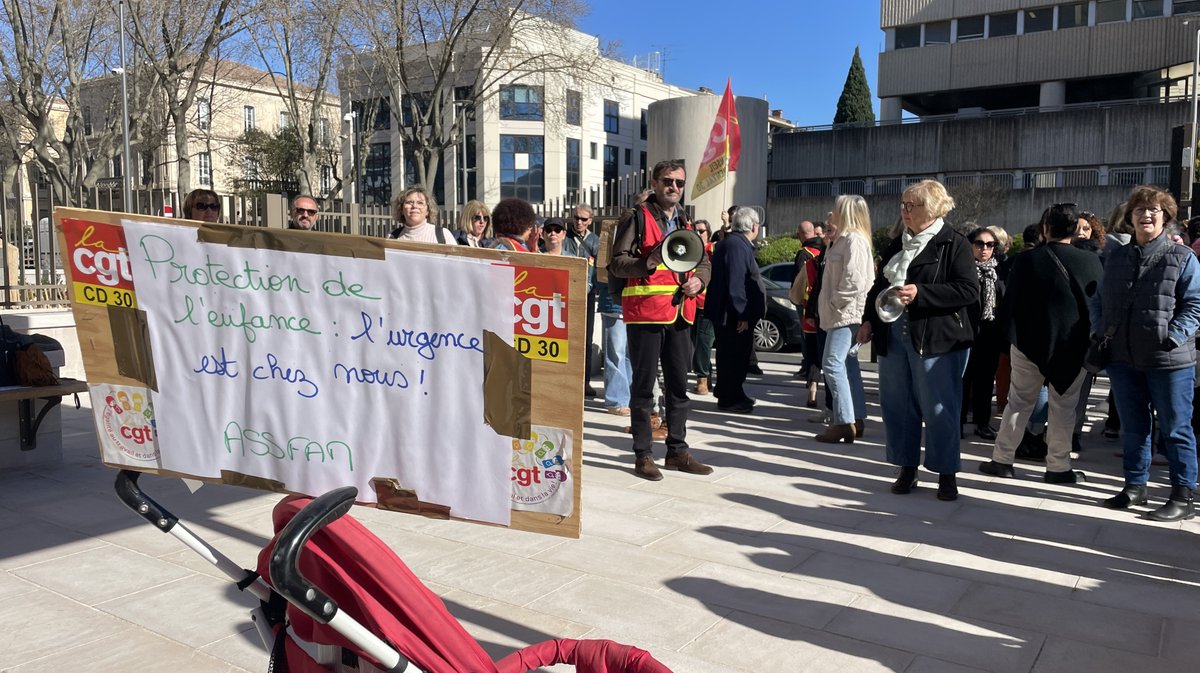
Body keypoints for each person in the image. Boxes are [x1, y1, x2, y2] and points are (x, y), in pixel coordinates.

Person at [861, 179, 977, 502]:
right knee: (897, 405)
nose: (905, 211)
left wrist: (921, 294)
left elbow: (968, 290)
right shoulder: (897, 242)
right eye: (903, 205)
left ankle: (946, 474)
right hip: (894, 333)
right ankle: (906, 467)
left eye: (912, 205)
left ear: (934, 208)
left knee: (940, 407)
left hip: (935, 338)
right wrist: (868, 320)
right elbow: (878, 286)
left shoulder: (954, 243)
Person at [1094, 186, 1200, 521]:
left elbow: (1195, 305)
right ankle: (1135, 486)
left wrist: (1172, 337)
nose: (1146, 215)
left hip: (1169, 360)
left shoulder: (1183, 258)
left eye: (1154, 209)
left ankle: (1183, 494)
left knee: (1175, 428)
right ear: (1130, 218)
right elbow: (1099, 301)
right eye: (1139, 209)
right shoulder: (1115, 257)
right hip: (1123, 358)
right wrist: (1099, 330)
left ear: (1166, 217)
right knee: (1133, 426)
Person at [979, 203, 1103, 484]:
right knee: (1064, 407)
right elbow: (1097, 306)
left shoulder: (1026, 260)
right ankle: (1058, 467)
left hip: (1028, 344)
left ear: (1044, 229)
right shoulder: (1093, 261)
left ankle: (1002, 459)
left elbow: (1010, 305)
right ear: (1075, 230)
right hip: (1072, 346)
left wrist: (1009, 339)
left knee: (1018, 402)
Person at [609, 159, 713, 481]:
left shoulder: (684, 218)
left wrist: (700, 281)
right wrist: (648, 262)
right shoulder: (636, 217)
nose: (674, 187)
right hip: (646, 314)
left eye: (680, 183)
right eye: (668, 181)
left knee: (679, 387)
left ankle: (677, 451)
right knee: (643, 388)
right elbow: (616, 264)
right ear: (655, 183)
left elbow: (704, 261)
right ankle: (643, 455)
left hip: (681, 312)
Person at [814, 195, 873, 444]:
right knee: (848, 366)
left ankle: (844, 421)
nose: (833, 212)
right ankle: (854, 419)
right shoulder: (844, 240)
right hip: (841, 312)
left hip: (845, 314)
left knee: (832, 364)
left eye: (837, 209)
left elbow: (856, 281)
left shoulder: (854, 241)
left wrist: (834, 302)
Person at [706, 207, 766, 414]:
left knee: (735, 356)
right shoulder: (736, 246)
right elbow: (737, 281)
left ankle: (733, 392)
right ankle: (729, 397)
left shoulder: (736, 244)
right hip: (732, 315)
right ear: (755, 226)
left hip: (731, 313)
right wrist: (742, 314)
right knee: (733, 357)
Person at [961, 226, 1007, 441]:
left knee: (986, 380)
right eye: (980, 244)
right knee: (962, 380)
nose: (985, 249)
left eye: (990, 245)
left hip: (990, 333)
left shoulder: (1000, 271)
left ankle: (982, 422)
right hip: (965, 332)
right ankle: (958, 422)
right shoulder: (963, 270)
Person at [565, 204, 601, 398]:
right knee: (566, 339)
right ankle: (567, 380)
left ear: (590, 221)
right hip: (565, 294)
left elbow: (601, 267)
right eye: (576, 217)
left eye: (583, 219)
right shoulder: (564, 237)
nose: (579, 222)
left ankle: (585, 381)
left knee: (585, 339)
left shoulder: (596, 241)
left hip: (587, 296)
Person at [791, 220, 825, 405]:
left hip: (809, 309)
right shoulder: (832, 253)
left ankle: (812, 390)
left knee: (811, 349)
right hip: (830, 311)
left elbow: (797, 284)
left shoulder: (806, 256)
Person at [690, 219, 716, 396]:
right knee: (694, 342)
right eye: (695, 231)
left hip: (709, 303)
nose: (698, 234)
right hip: (691, 303)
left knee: (704, 342)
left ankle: (702, 379)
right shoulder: (690, 249)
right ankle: (707, 375)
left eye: (701, 231)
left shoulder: (713, 249)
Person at [389, 186, 455, 244]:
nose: (414, 206)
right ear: (401, 209)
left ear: (428, 211)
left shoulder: (443, 235)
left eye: (420, 203)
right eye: (409, 202)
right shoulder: (392, 237)